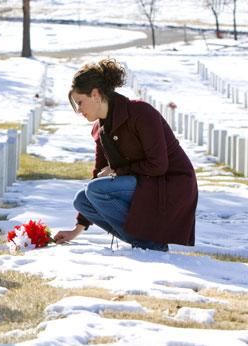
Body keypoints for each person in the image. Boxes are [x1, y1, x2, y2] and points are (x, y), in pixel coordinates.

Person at [53, 58, 198, 251]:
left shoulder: (140, 113)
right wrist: (76, 230)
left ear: (95, 94)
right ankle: (146, 243)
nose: (78, 110)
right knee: (82, 200)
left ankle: (150, 244)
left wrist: (117, 171)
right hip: (142, 185)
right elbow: (98, 174)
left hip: (170, 185)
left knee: (96, 190)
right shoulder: (100, 129)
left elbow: (159, 165)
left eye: (80, 102)